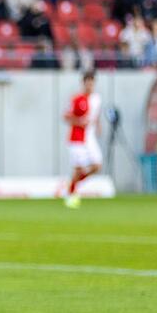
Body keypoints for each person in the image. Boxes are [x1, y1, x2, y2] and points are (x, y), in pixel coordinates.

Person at [64, 70, 102, 209]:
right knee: (78, 169)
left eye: (92, 83)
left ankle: (73, 185)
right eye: (88, 83)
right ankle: (71, 193)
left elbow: (96, 116)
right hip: (77, 138)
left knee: (97, 165)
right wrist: (79, 121)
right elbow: (66, 117)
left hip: (90, 138)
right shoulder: (77, 99)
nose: (90, 86)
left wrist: (98, 126)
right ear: (83, 83)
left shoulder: (97, 99)